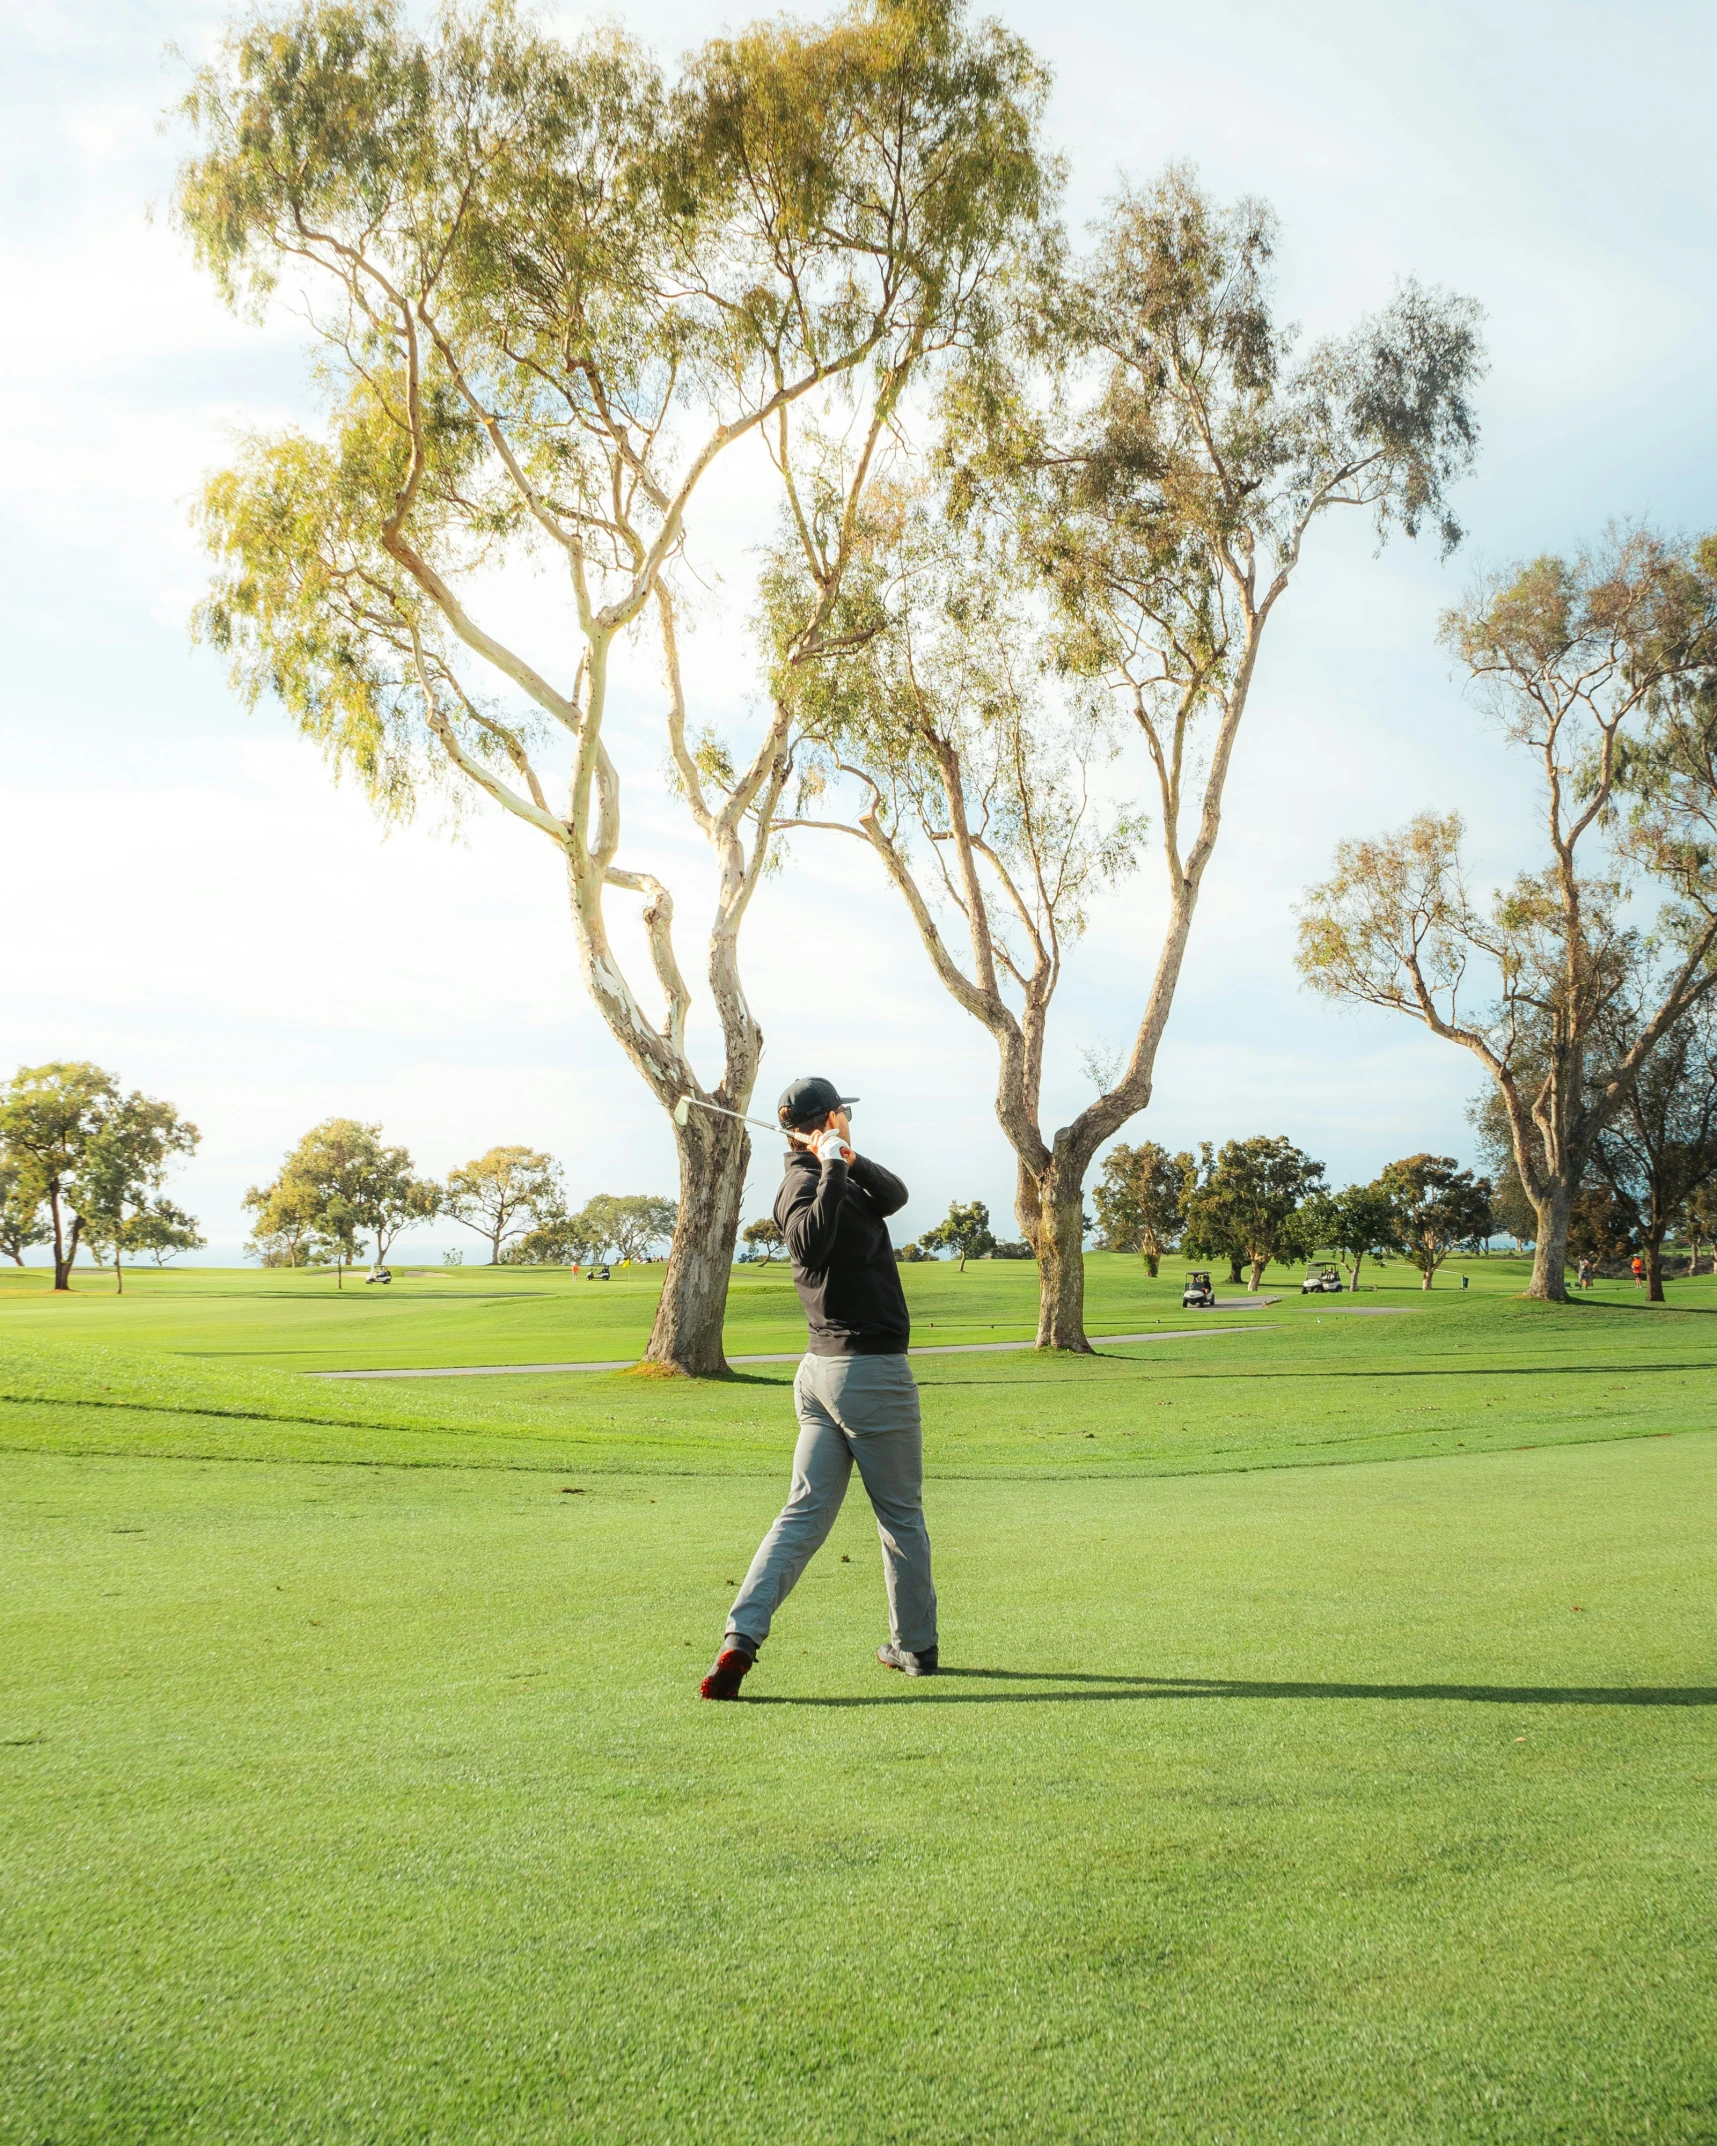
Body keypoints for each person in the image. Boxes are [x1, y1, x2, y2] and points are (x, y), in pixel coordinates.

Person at [700, 1075, 938, 1700]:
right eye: (843, 1119)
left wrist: (847, 1160)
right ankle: (915, 1646)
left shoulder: (838, 1172)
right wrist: (829, 1169)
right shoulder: (801, 1186)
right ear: (830, 1117)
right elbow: (811, 1245)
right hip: (869, 1375)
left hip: (822, 1377)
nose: (848, 1124)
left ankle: (739, 1640)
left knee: (802, 1514)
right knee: (901, 1518)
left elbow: (895, 1196)